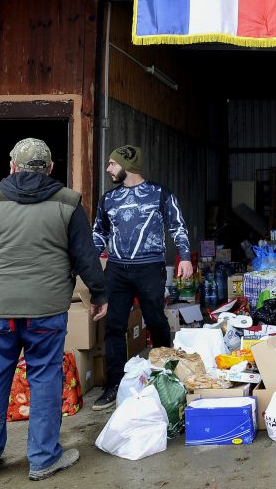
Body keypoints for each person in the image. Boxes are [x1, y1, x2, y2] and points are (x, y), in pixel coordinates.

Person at [0, 138, 107, 483]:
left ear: (12, 165)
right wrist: (99, 294)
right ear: (50, 168)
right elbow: (86, 257)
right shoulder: (67, 201)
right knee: (45, 379)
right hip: (46, 311)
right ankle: (44, 458)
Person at [91, 145, 192, 411]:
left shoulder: (160, 193)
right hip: (116, 269)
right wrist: (89, 260)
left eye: (112, 164)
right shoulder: (108, 198)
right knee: (113, 327)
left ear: (128, 165)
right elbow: (99, 233)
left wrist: (185, 256)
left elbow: (177, 225)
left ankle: (165, 377)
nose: (109, 169)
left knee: (157, 321)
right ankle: (114, 385)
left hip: (149, 268)